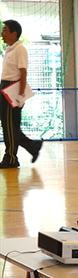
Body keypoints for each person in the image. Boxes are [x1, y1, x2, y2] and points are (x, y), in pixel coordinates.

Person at [0, 19, 43, 169]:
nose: (2, 33)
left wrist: (20, 96)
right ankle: (32, 146)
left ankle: (11, 158)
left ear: (14, 33)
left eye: (5, 30)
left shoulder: (20, 49)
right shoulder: (9, 49)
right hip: (4, 88)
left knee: (10, 125)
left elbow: (23, 73)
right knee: (9, 125)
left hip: (12, 89)